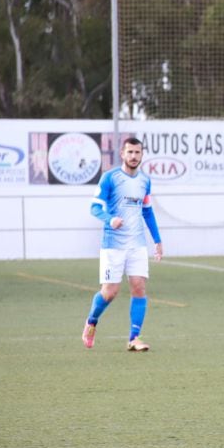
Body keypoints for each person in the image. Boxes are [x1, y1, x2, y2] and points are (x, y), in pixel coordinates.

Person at [81, 137, 163, 352]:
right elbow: (95, 208)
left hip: (137, 243)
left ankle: (134, 338)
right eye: (130, 152)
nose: (134, 156)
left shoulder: (145, 181)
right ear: (123, 154)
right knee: (110, 292)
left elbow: (147, 211)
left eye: (137, 153)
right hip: (113, 244)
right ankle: (91, 321)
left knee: (139, 286)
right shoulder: (110, 178)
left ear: (142, 155)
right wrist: (111, 219)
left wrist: (157, 240)